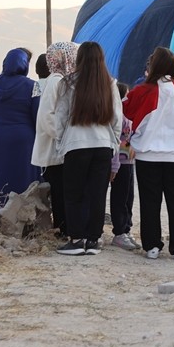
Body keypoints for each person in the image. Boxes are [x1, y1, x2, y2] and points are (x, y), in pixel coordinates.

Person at [38, 41, 122, 256]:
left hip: (76, 145)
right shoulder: (110, 83)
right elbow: (116, 118)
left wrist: (60, 143)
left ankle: (76, 240)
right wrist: (114, 144)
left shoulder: (68, 82)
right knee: (97, 194)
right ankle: (94, 240)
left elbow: (61, 117)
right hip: (103, 144)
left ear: (80, 59)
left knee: (74, 194)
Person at [123, 46, 174, 261]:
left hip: (147, 154)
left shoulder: (142, 90)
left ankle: (152, 246)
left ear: (153, 65)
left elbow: (127, 112)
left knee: (150, 202)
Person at [0, 49, 40, 208]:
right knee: (22, 177)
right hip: (22, 139)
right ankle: (20, 212)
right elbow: (38, 115)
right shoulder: (32, 86)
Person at [33, 41, 78, 237]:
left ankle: (64, 226)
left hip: (59, 147)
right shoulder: (57, 81)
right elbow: (47, 116)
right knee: (60, 192)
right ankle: (63, 228)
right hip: (56, 148)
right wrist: (63, 137)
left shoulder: (61, 80)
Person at [109, 81, 139, 251]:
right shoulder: (118, 114)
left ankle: (126, 228)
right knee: (120, 196)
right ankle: (119, 230)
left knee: (129, 196)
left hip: (129, 160)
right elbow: (118, 138)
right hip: (119, 161)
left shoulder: (128, 113)